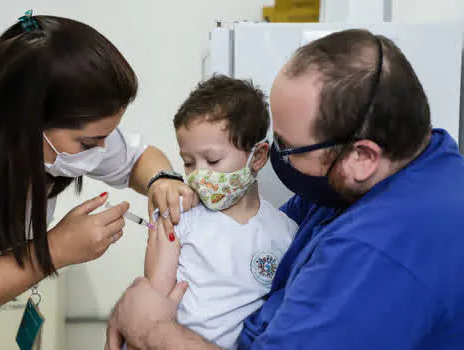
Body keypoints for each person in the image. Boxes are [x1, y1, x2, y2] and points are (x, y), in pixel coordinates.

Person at [106, 29, 464, 350]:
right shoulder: (408, 164)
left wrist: (152, 328)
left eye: (288, 147)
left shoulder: (378, 251)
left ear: (362, 155)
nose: (276, 158)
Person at [0, 11, 196, 350]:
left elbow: (138, 158)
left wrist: (163, 179)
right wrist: (53, 251)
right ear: (29, 119)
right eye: (89, 144)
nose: (102, 152)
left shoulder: (28, 101)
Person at [124, 76, 298, 350]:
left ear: (258, 156)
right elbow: (151, 308)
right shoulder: (179, 218)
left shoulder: (286, 232)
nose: (199, 174)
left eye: (213, 160)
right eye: (189, 162)